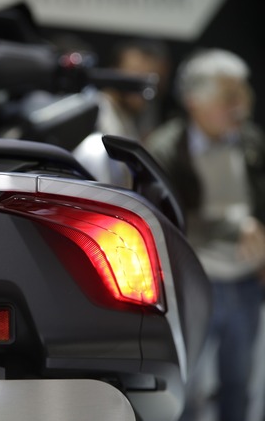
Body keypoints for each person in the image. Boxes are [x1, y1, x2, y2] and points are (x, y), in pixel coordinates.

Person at [144, 47, 265, 421]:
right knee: (186, 388)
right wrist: (235, 226)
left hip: (245, 280)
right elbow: (167, 220)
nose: (241, 105)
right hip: (193, 284)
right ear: (194, 101)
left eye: (244, 92)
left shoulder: (250, 142)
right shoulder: (165, 149)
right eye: (229, 96)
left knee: (238, 383)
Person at [72, 37, 172, 187]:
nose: (142, 85)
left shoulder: (131, 118)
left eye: (150, 78)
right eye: (135, 74)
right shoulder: (94, 112)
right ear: (113, 72)